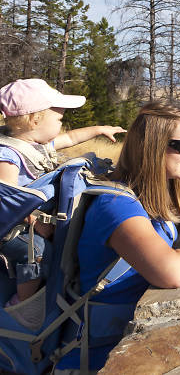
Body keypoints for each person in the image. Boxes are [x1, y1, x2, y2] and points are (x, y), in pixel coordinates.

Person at [55, 101, 180, 371]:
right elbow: (172, 273)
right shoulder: (117, 207)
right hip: (92, 359)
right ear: (153, 148)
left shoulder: (153, 193)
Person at [0, 78, 126, 304]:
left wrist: (98, 129)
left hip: (30, 221)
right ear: (35, 119)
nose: (62, 122)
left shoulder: (34, 144)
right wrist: (37, 223)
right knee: (36, 252)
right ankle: (21, 304)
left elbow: (70, 137)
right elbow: (9, 202)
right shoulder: (8, 156)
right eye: (59, 118)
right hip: (13, 230)